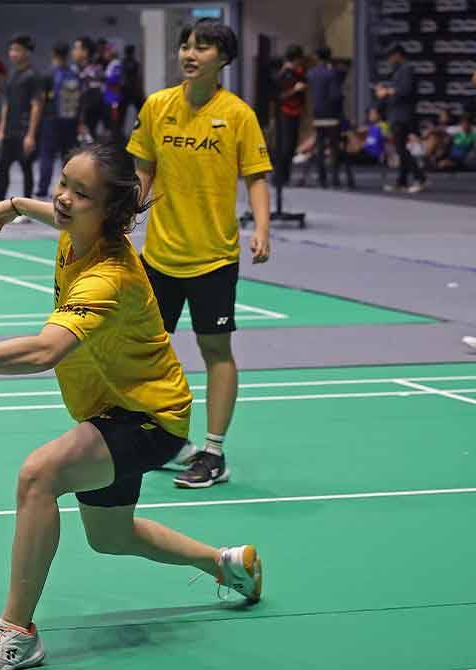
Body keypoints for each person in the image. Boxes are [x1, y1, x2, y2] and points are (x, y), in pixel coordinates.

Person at [0, 144, 262, 670]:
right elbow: (58, 213)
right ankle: (227, 565)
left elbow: (45, 351)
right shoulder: (80, 230)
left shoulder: (108, 276)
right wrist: (17, 206)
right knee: (111, 536)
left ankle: (16, 633)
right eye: (64, 183)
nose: (65, 199)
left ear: (110, 211)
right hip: (114, 405)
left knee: (38, 476)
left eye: (81, 193)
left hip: (147, 417)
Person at [127, 18, 273, 488]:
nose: (190, 55)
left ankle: (212, 452)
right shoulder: (157, 107)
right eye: (186, 47)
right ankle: (169, 441)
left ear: (224, 60)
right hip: (160, 254)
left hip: (213, 257)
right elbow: (144, 170)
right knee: (146, 350)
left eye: (203, 48)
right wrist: (126, 213)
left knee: (215, 350)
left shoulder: (237, 115)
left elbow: (255, 176)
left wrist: (263, 228)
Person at [375, 44, 427, 193]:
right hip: (396, 114)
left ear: (398, 54)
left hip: (402, 115)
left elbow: (405, 91)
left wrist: (387, 92)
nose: (389, 59)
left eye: (391, 56)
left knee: (401, 149)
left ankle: (420, 178)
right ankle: (402, 181)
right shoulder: (399, 70)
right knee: (400, 148)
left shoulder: (407, 69)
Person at [0, 34, 42, 202]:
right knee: (2, 167)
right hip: (9, 130)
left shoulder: (34, 76)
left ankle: (27, 209)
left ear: (26, 53)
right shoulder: (11, 75)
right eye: (11, 49)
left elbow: (37, 105)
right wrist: (1, 128)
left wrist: (31, 135)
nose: (12, 53)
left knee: (26, 167)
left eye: (17, 50)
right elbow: (6, 104)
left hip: (24, 131)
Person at [35, 42, 80, 198]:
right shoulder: (74, 74)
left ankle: (42, 189)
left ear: (53, 53)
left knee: (47, 155)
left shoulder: (48, 74)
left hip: (51, 120)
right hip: (70, 121)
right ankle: (69, 187)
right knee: (68, 157)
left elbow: (40, 100)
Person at [306, 47, 346, 188]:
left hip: (318, 113)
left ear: (317, 57)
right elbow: (336, 95)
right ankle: (334, 178)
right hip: (332, 114)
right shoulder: (332, 73)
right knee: (334, 147)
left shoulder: (311, 73)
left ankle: (321, 178)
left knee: (320, 146)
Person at [273, 44, 307, 189]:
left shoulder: (297, 73)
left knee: (292, 145)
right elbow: (278, 96)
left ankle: (285, 176)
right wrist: (295, 90)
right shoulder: (283, 74)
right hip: (285, 112)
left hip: (295, 111)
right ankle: (279, 176)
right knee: (285, 145)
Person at [72, 37, 104, 142]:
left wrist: (82, 121)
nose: (73, 52)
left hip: (87, 120)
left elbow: (91, 101)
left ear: (85, 52)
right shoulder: (76, 71)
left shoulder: (92, 73)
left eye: (76, 48)